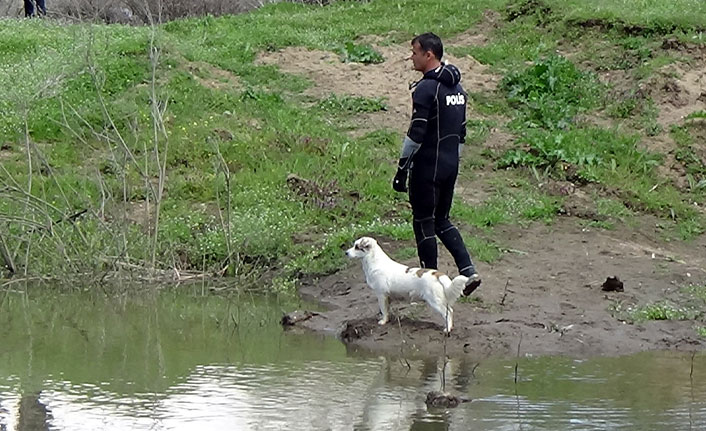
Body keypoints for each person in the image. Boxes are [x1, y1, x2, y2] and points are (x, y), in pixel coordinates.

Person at [392, 32, 481, 296]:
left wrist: (401, 169)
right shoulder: (458, 89)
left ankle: (429, 284)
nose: (411, 57)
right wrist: (454, 162)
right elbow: (461, 133)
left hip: (427, 167)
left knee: (423, 222)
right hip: (450, 164)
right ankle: (468, 271)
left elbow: (416, 134)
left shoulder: (427, 88)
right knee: (442, 220)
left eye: (415, 52)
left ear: (428, 55)